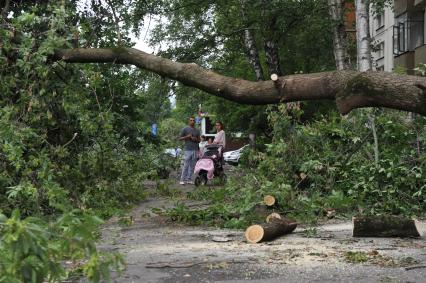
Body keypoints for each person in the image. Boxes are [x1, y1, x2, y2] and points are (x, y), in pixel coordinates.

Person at [178, 116, 200, 185]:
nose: (192, 121)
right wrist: (187, 137)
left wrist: (195, 139)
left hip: (195, 149)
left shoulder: (197, 130)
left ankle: (189, 179)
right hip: (188, 149)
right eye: (191, 120)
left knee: (192, 166)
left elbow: (199, 140)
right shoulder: (185, 129)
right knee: (186, 165)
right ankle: (182, 179)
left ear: (195, 121)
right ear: (189, 121)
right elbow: (180, 138)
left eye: (193, 120)